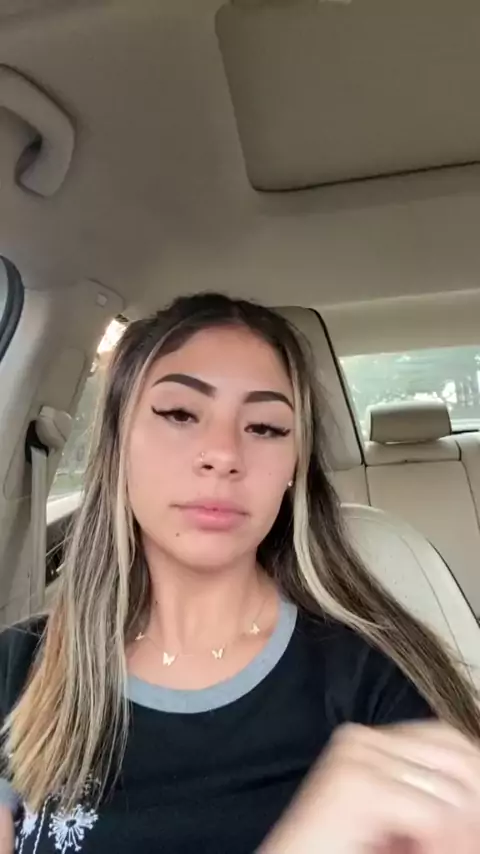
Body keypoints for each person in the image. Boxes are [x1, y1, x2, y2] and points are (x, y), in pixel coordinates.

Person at [0, 292, 479, 854]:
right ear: (117, 445)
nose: (223, 453)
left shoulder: (378, 680)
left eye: (266, 427)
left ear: (294, 467)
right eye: (180, 414)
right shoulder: (19, 668)